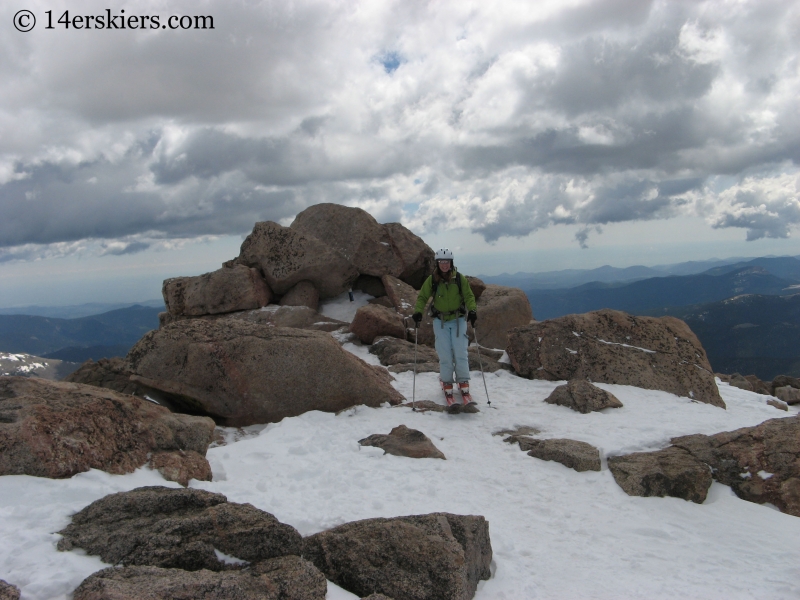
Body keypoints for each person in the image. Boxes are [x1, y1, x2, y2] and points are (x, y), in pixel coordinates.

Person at [412, 248, 478, 413]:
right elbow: (422, 297)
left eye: (447, 262)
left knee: (460, 352)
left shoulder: (459, 279)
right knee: (445, 354)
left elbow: (469, 296)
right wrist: (418, 312)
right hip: (440, 321)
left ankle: (463, 383)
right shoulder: (432, 280)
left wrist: (473, 310)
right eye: (441, 262)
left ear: (451, 263)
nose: (444, 265)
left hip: (458, 320)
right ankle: (447, 383)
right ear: (437, 263)